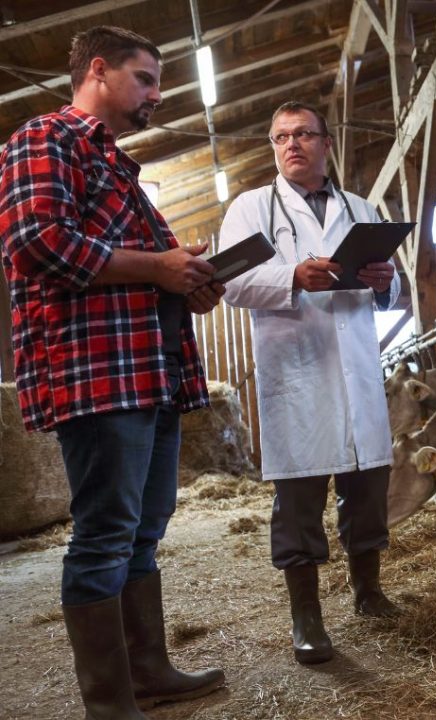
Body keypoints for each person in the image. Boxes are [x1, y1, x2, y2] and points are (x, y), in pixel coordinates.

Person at [0, 26, 226, 718]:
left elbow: (142, 262)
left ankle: (148, 669)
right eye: (146, 79)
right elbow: (38, 242)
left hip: (147, 369)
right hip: (96, 370)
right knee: (103, 532)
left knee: (143, 528)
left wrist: (185, 275)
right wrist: (155, 266)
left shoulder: (120, 169)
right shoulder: (44, 140)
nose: (156, 96)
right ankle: (108, 700)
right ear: (96, 70)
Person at [218, 101, 401, 664]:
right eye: (280, 137)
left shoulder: (360, 206)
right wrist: (291, 276)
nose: (291, 144)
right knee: (299, 503)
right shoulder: (251, 206)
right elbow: (229, 281)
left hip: (357, 369)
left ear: (326, 143)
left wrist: (383, 280)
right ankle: (307, 617)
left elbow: (391, 293)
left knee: (367, 492)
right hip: (295, 371)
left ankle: (368, 591)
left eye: (302, 134)